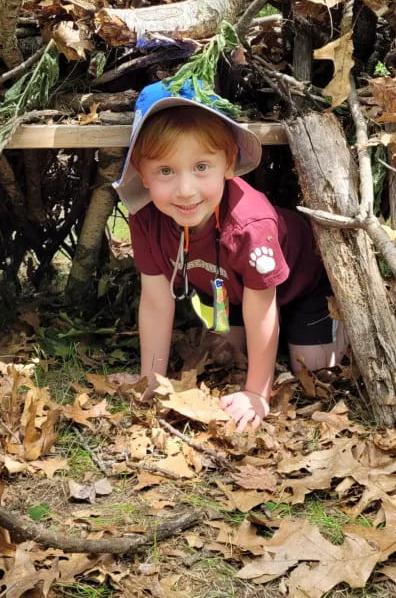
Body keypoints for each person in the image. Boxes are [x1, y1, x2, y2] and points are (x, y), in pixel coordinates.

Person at [111, 80, 347, 431]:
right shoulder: (146, 217)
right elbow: (156, 302)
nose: (185, 190)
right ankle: (270, 338)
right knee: (220, 354)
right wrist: (151, 379)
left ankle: (334, 327)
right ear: (141, 173)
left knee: (313, 367)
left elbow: (262, 307)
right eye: (165, 171)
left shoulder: (250, 224)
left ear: (229, 163)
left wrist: (256, 393)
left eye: (201, 167)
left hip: (302, 289)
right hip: (233, 293)